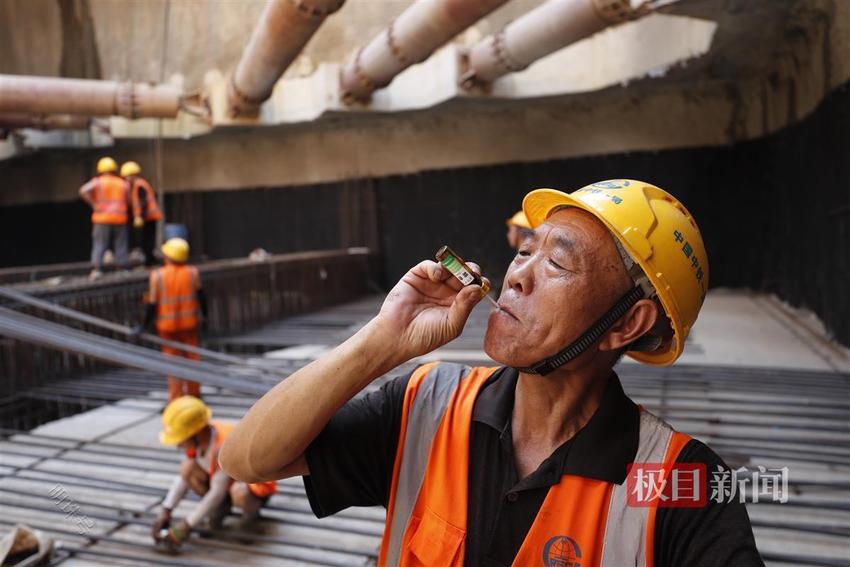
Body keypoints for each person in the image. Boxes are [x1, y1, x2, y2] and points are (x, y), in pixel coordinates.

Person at [219, 179, 764, 567]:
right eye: (525, 250)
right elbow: (246, 458)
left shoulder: (677, 482)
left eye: (556, 263)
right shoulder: (427, 405)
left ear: (628, 324)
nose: (517, 276)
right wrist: (384, 342)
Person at [153, 396, 277, 550]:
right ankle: (222, 508)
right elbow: (183, 478)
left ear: (196, 434)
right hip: (225, 484)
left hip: (253, 489)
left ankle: (249, 519)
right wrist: (166, 509)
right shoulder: (201, 437)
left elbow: (217, 492)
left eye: (180, 439)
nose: (178, 445)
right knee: (188, 468)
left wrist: (186, 525)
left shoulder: (222, 446)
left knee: (239, 492)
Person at [137, 237, 207, 401]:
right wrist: (206, 316)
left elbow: (153, 305)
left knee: (173, 365)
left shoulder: (158, 276)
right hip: (189, 325)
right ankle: (194, 396)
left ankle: (175, 399)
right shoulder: (192, 272)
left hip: (168, 328)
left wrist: (144, 326)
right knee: (192, 359)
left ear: (167, 255)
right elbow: (201, 296)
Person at [78, 156, 130, 279]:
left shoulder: (98, 181)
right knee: (120, 244)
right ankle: (121, 267)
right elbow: (128, 200)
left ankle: (97, 268)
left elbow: (83, 190)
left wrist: (94, 204)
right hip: (119, 218)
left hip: (102, 218)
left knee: (100, 243)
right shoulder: (123, 183)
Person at [121, 161, 163, 267]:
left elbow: (142, 202)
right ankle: (150, 260)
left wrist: (139, 217)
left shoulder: (139, 185)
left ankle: (149, 261)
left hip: (148, 216)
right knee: (147, 239)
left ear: (133, 175)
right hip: (148, 216)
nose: (126, 179)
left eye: (127, 177)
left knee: (147, 240)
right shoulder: (138, 185)